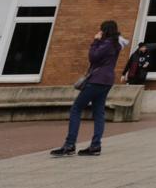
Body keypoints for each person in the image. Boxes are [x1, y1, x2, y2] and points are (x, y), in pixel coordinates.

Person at [50, 20, 123, 157]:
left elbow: (93, 57)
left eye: (100, 29)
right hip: (107, 81)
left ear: (104, 30)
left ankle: (70, 144)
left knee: (76, 108)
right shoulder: (116, 44)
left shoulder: (106, 43)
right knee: (99, 112)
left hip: (96, 80)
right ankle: (95, 146)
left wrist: (95, 41)